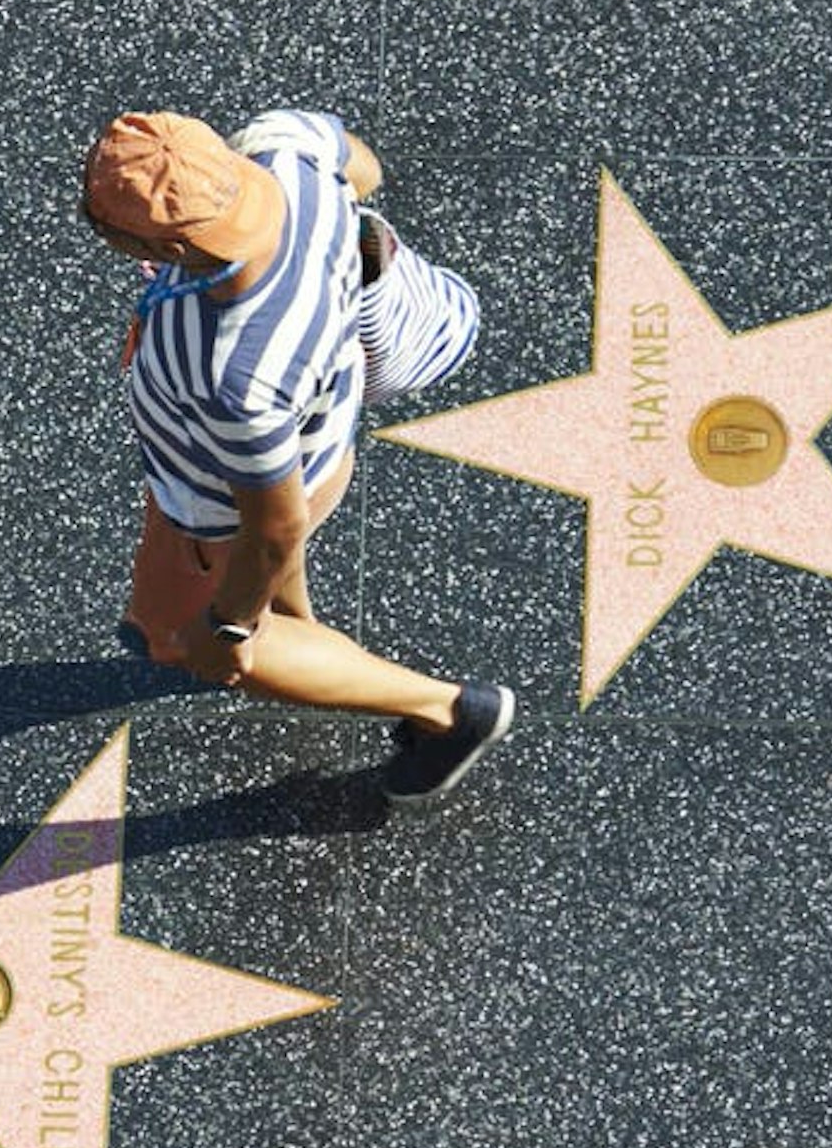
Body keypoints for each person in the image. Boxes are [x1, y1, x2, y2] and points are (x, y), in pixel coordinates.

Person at [82, 108, 514, 803]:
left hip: (225, 501)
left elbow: (272, 526)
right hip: (318, 440)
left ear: (165, 248)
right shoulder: (287, 154)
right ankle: (308, 642)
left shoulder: (234, 370)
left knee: (173, 635)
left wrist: (229, 627)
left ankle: (450, 711)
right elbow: (363, 166)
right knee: (269, 607)